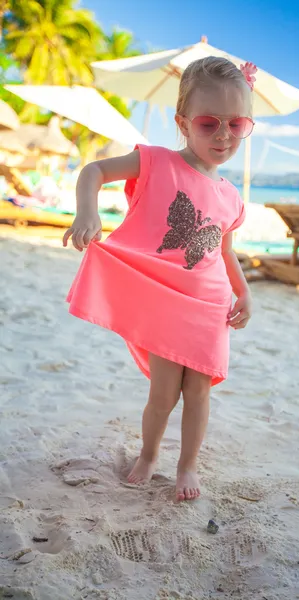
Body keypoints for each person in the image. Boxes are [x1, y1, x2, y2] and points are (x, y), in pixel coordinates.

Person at [63, 57, 256, 502]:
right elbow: (94, 172)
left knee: (200, 392)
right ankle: (149, 454)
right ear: (183, 123)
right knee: (164, 393)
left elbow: (224, 250)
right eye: (209, 123)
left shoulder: (231, 195)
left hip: (210, 307)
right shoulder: (156, 162)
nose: (223, 134)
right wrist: (87, 211)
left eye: (236, 124)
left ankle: (187, 465)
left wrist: (244, 291)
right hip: (165, 300)